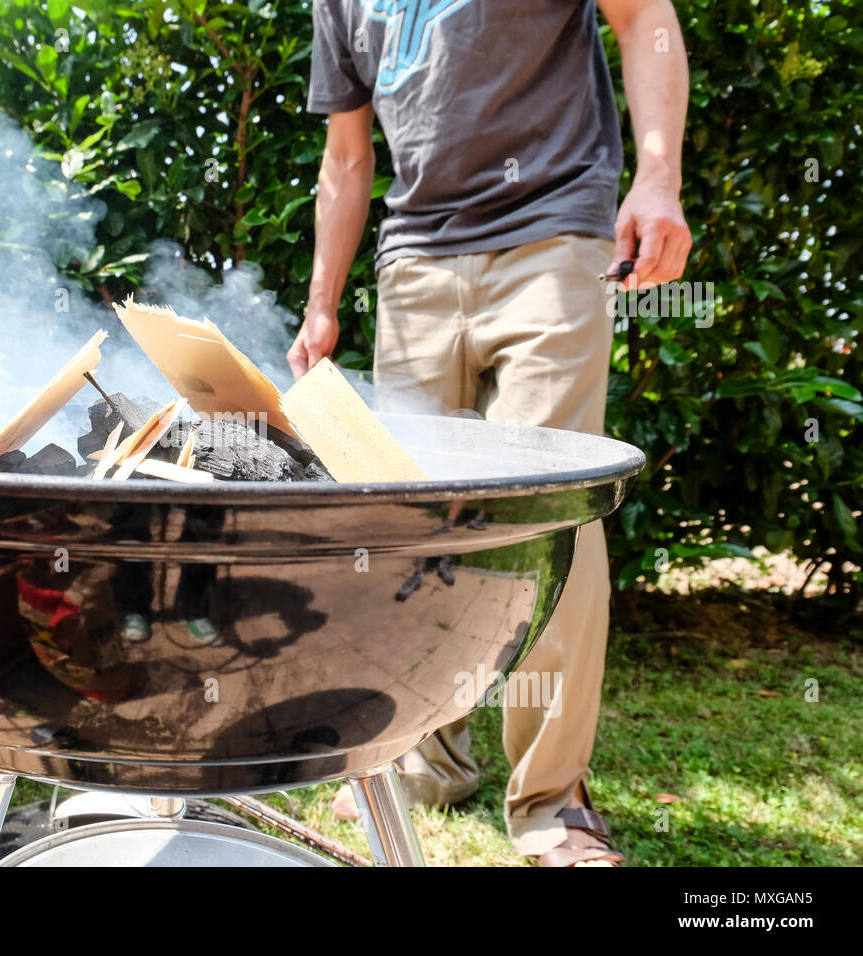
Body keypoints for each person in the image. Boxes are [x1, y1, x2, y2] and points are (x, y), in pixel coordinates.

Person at [289, 0, 692, 866]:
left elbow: (644, 15)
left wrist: (658, 178)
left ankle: (552, 804)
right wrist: (323, 304)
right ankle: (426, 761)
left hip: (551, 237)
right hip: (413, 265)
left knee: (549, 507)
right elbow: (346, 156)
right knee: (412, 522)